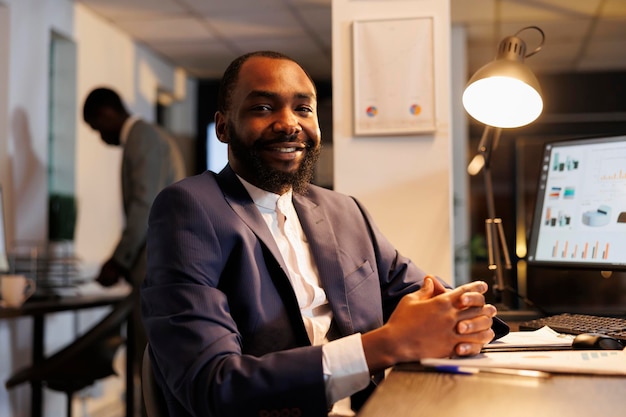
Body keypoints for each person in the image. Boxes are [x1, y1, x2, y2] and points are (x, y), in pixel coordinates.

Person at [141, 51, 498, 417]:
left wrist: (466, 316)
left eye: (303, 108)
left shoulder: (344, 211)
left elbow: (424, 294)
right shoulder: (190, 208)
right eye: (263, 108)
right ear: (223, 127)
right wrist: (385, 345)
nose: (288, 124)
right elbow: (213, 385)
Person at [82, 87, 186, 374]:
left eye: (96, 128)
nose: (100, 137)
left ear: (106, 114)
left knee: (151, 364)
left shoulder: (141, 136)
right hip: (163, 265)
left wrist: (119, 260)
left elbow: (145, 206)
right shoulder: (153, 134)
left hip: (154, 266)